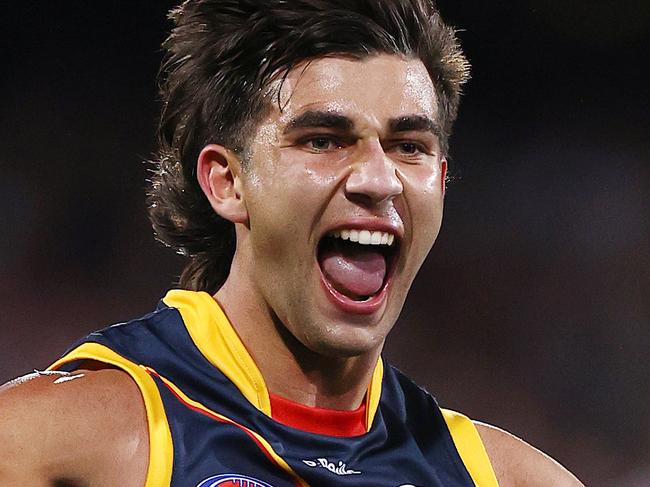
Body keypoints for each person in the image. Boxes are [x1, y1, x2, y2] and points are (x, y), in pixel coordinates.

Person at [0, 1, 584, 486]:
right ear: (227, 183)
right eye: (325, 140)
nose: (380, 180)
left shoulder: (507, 477)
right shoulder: (57, 447)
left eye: (409, 145)